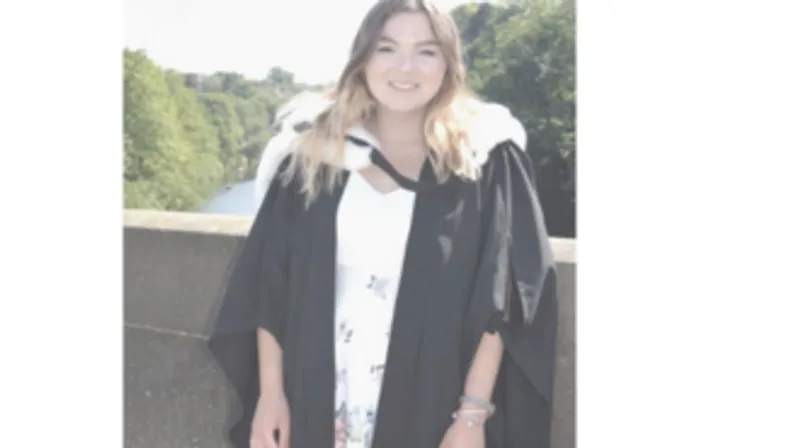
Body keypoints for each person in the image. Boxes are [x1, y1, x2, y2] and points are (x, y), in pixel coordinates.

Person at [208, 0, 559, 447]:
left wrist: (472, 416)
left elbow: (504, 298)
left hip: (433, 405)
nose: (405, 68)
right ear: (363, 58)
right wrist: (271, 396)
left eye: (426, 51)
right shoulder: (315, 156)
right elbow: (271, 284)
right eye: (387, 48)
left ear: (449, 64)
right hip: (318, 397)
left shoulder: (483, 160)